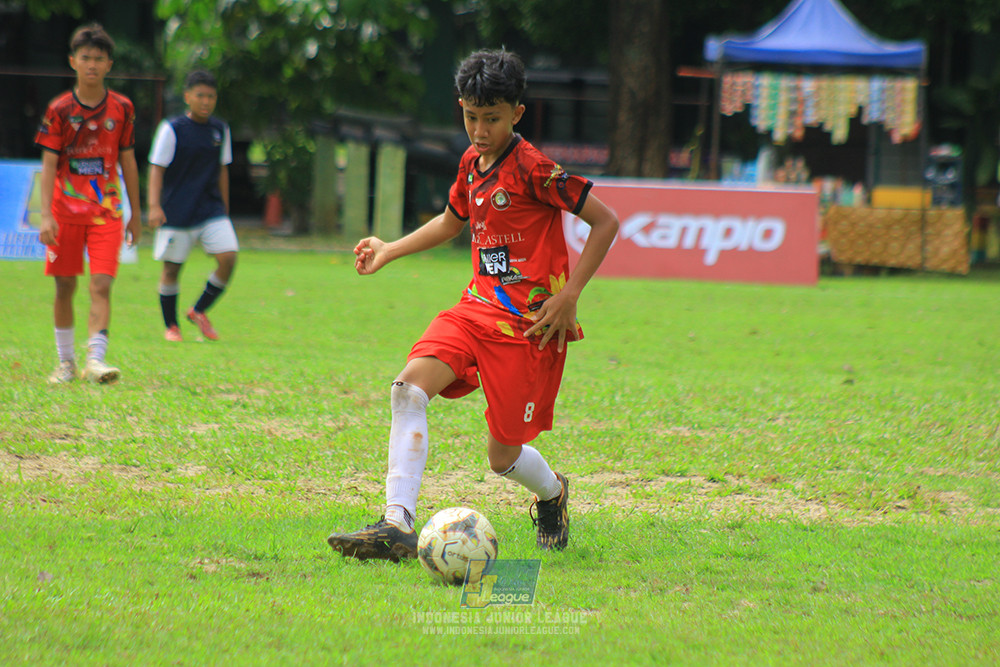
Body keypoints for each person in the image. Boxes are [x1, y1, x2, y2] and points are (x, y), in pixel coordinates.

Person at [327, 49, 619, 561]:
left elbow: (606, 221)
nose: (480, 131)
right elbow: (450, 220)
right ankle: (397, 523)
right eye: (470, 117)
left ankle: (552, 493)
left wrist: (569, 295)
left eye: (492, 119)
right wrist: (389, 249)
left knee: (501, 456)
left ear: (516, 115)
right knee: (408, 389)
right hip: (475, 309)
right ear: (460, 107)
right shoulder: (470, 163)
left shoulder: (534, 168)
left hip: (528, 327)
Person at [35, 22, 141, 385]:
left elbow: (128, 161)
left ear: (109, 64)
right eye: (85, 58)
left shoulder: (123, 108)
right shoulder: (60, 109)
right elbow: (49, 164)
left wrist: (136, 215)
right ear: (73, 62)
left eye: (99, 58)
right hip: (65, 213)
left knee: (101, 284)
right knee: (64, 286)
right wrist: (46, 213)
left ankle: (95, 360)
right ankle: (65, 363)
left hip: (106, 213)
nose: (92, 64)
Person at [147, 70, 237, 342]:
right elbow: (156, 168)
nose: (205, 101)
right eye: (200, 96)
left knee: (229, 257)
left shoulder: (220, 130)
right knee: (172, 269)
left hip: (210, 209)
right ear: (187, 97)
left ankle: (198, 310)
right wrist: (153, 206)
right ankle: (171, 326)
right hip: (177, 209)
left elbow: (222, 169)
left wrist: (225, 206)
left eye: (210, 96)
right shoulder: (172, 129)